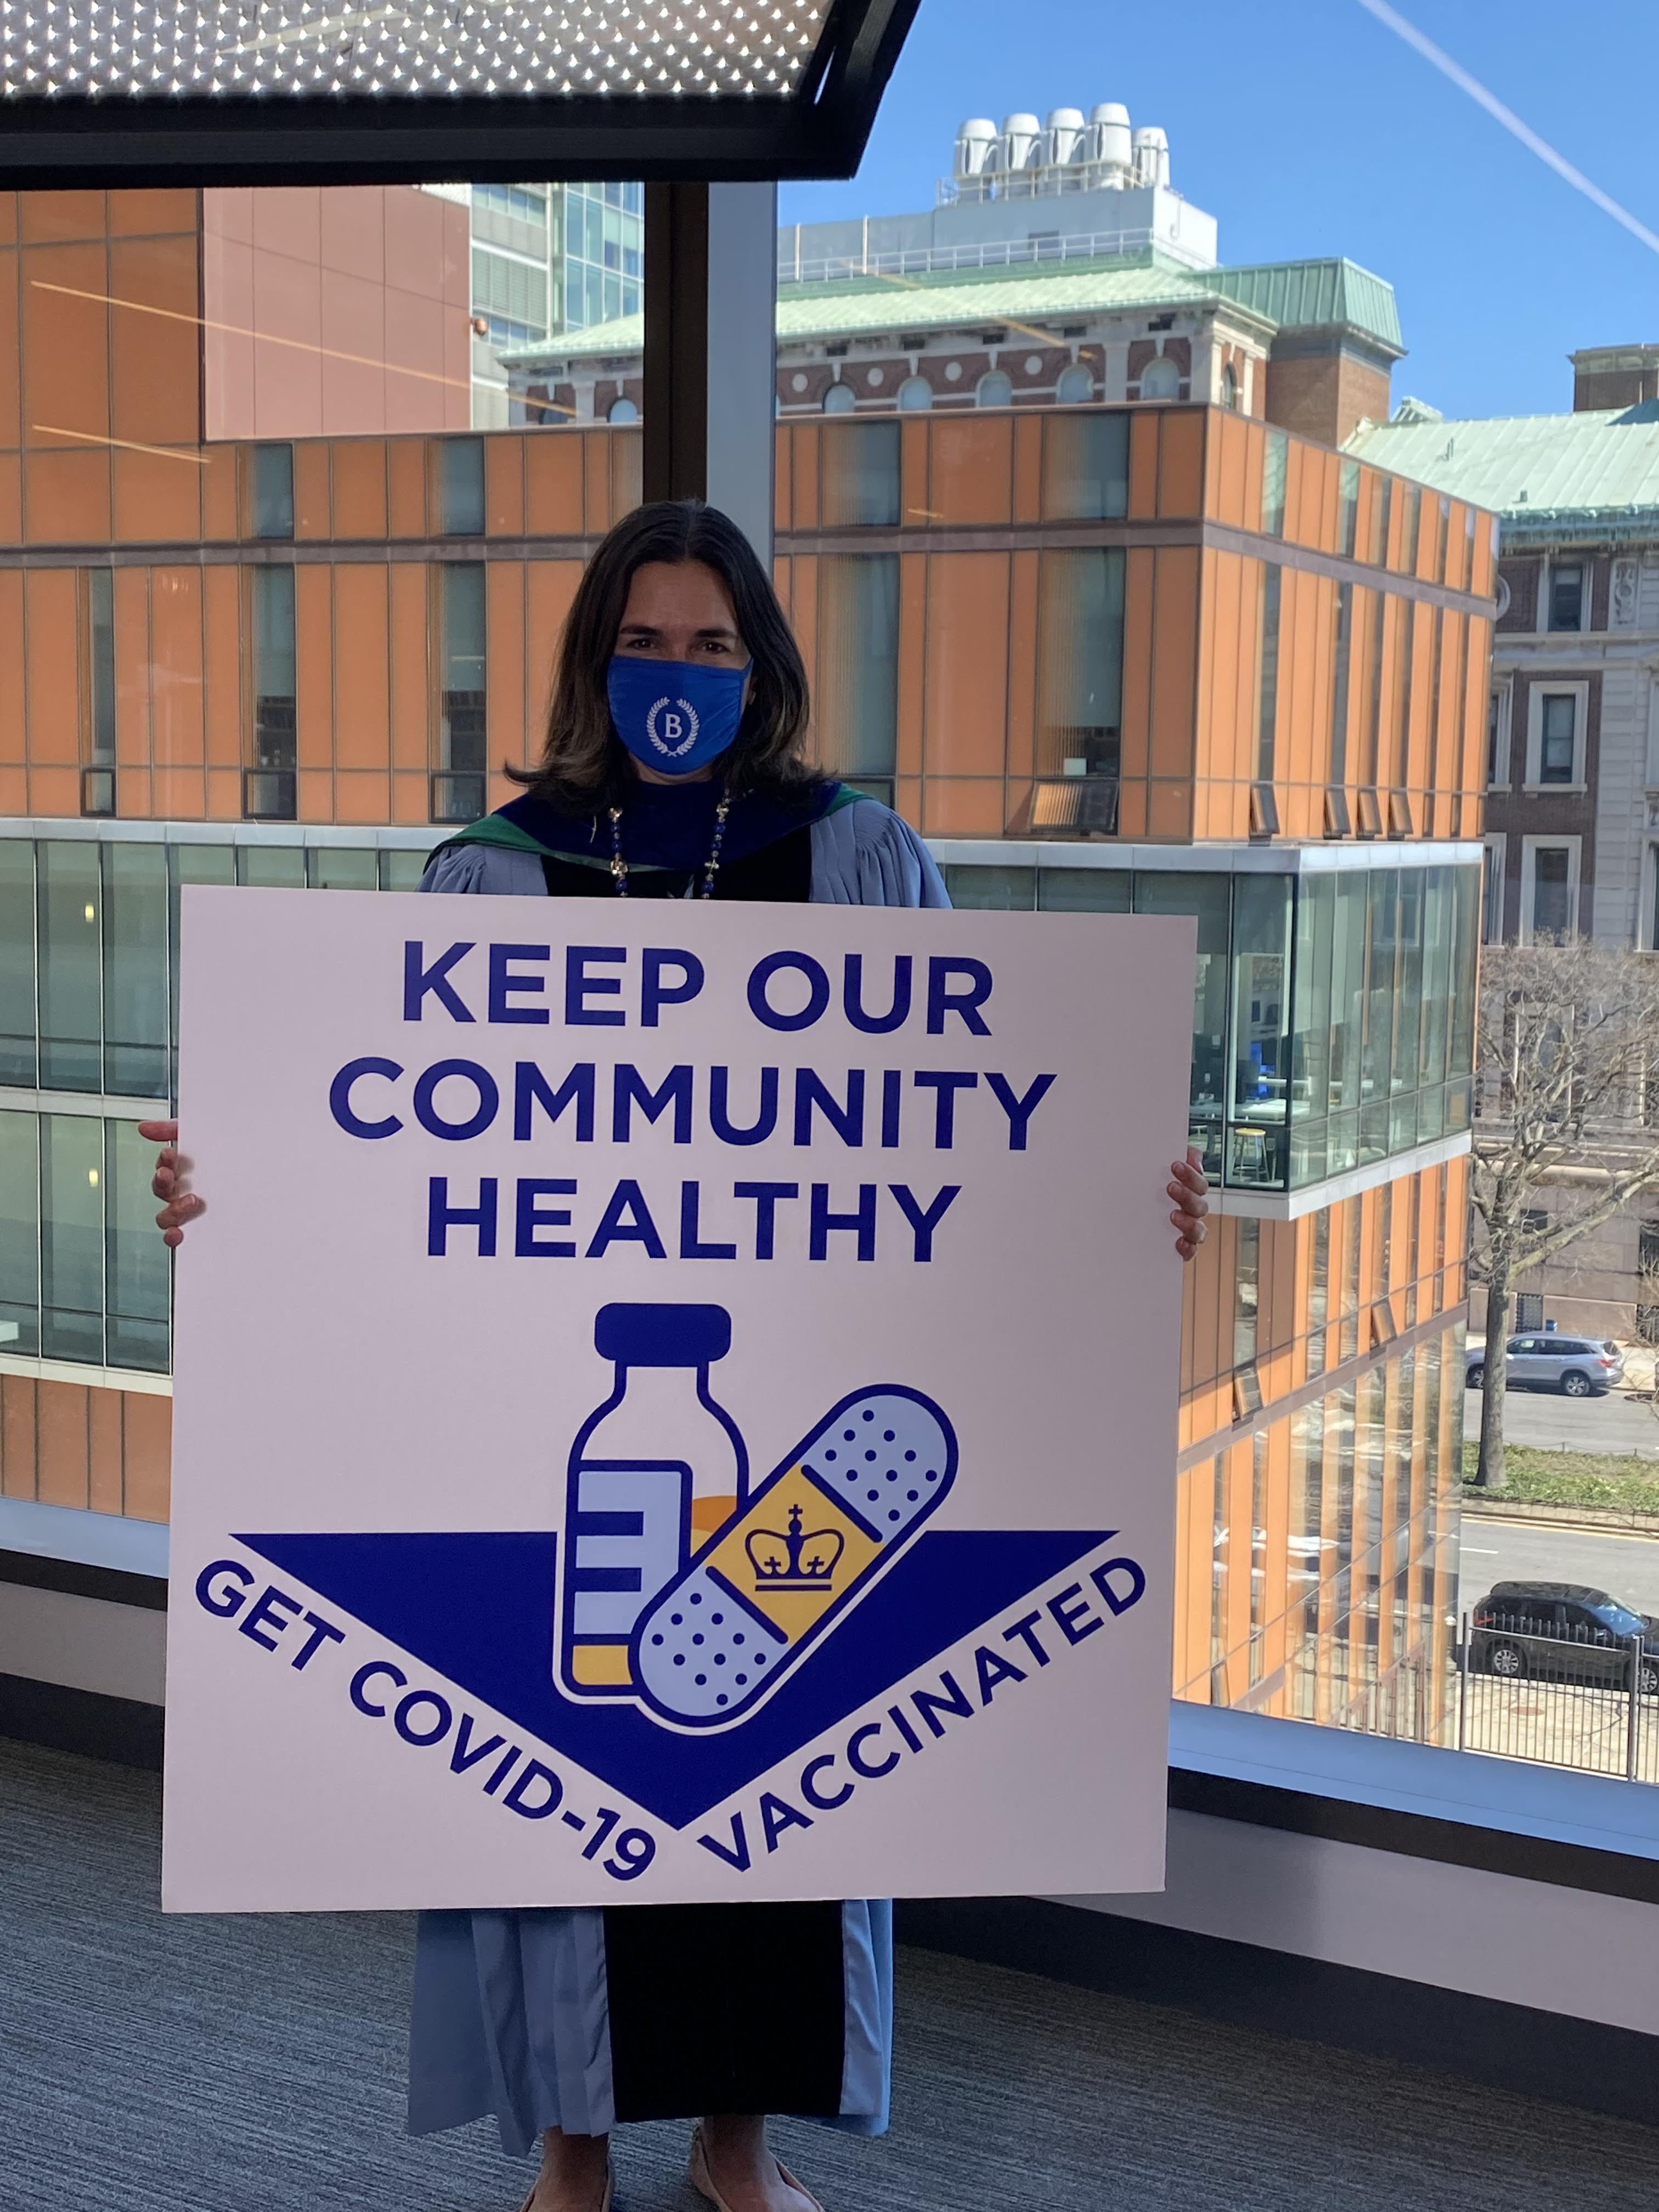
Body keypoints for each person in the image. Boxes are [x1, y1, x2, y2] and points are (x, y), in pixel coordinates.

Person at [143, 499, 1211, 2212]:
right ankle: (575, 2143)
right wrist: (238, 1199)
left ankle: (737, 2139)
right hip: (547, 1382)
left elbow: (971, 1123)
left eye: (712, 646)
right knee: (563, 1767)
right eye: (644, 642)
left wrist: (1117, 1197)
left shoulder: (858, 853)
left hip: (804, 1389)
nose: (677, 676)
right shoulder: (499, 865)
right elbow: (396, 1156)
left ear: (762, 664)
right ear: (594, 657)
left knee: (788, 1763)